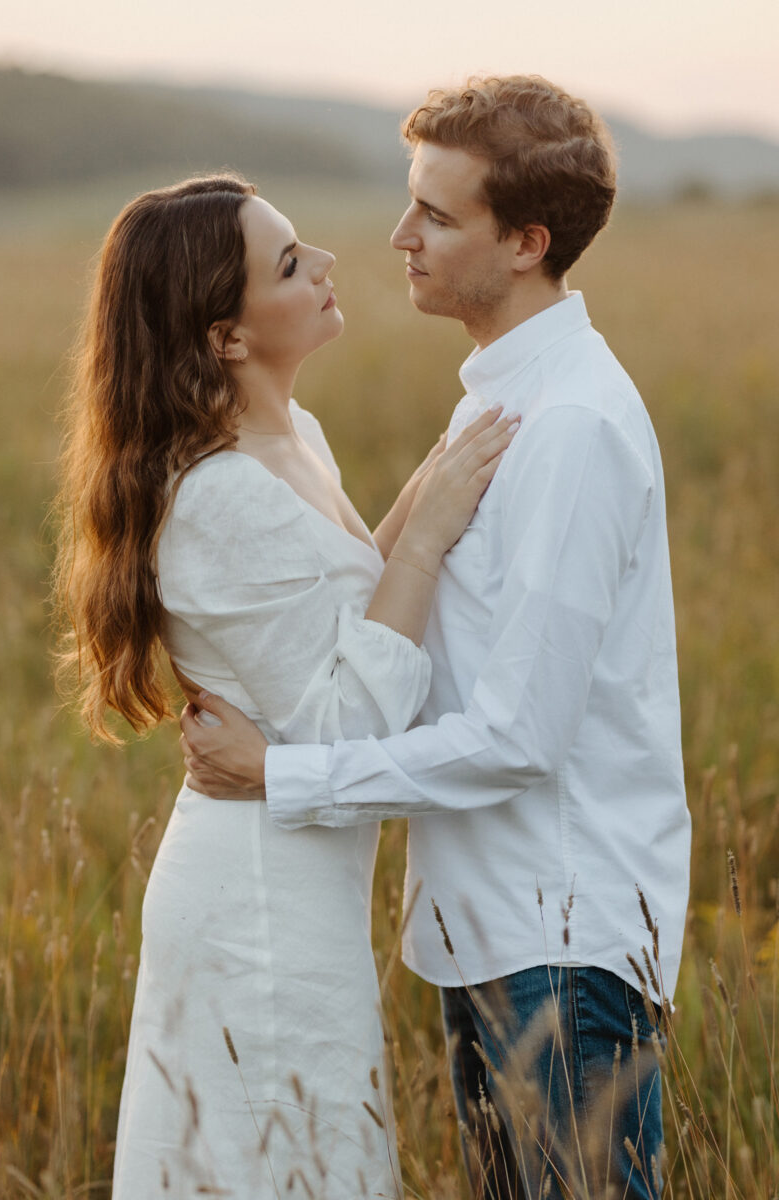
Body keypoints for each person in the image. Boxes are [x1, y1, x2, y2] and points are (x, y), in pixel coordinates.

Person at [180, 76, 693, 1199]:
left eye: (437, 216)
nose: (398, 236)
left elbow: (518, 736)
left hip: (556, 944)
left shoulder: (564, 430)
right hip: (490, 930)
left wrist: (282, 775)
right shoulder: (495, 401)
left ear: (525, 242)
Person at [53, 172, 517, 1199]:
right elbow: (349, 717)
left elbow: (342, 609)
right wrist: (430, 529)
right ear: (224, 335)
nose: (328, 267)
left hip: (301, 871)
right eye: (290, 263)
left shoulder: (289, 439)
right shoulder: (217, 496)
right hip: (260, 896)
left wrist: (414, 496)